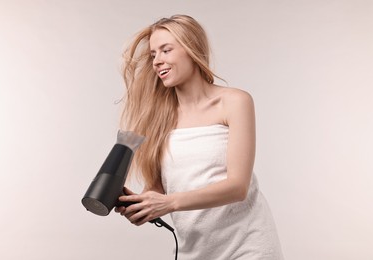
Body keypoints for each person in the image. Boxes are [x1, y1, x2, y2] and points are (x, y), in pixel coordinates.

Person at [115, 14, 283, 259]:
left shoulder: (234, 102)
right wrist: (143, 205)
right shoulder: (158, 119)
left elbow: (238, 187)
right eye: (153, 55)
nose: (157, 61)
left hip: (249, 246)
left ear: (192, 49)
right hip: (194, 250)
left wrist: (169, 203)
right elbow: (160, 189)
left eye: (166, 50)